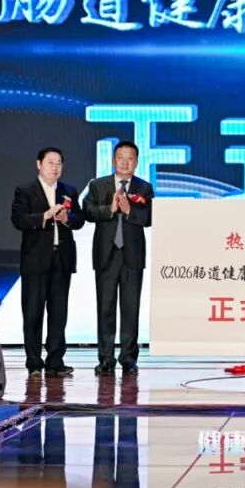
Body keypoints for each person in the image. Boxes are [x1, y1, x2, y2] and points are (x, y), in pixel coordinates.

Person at [10, 147, 84, 377]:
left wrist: (67, 218)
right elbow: (18, 220)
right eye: (50, 162)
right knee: (33, 313)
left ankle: (55, 361)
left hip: (62, 259)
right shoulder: (25, 190)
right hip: (35, 260)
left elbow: (79, 219)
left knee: (58, 313)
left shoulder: (69, 191)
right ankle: (34, 362)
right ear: (39, 164)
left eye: (59, 163)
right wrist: (45, 215)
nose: (55, 167)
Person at [85, 141, 154, 375]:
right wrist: (110, 209)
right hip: (106, 255)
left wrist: (129, 211)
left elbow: (150, 217)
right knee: (105, 308)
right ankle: (105, 358)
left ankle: (128, 358)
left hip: (132, 256)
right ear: (113, 161)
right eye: (121, 158)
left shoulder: (144, 188)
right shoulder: (97, 185)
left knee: (130, 309)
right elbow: (87, 212)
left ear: (136, 162)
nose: (125, 163)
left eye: (130, 158)